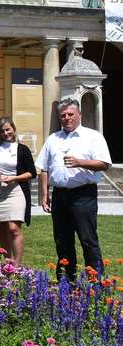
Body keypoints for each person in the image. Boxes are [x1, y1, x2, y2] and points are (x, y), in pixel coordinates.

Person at [35, 98, 111, 282]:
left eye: (70, 114)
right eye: (63, 115)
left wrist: (80, 162)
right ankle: (66, 282)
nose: (67, 118)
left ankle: (96, 282)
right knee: (62, 240)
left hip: (83, 195)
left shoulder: (93, 137)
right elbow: (43, 167)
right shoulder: (53, 139)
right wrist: (44, 195)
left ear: (79, 115)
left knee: (88, 240)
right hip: (60, 195)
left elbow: (104, 164)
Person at [0, 117, 36, 265]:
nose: (6, 133)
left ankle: (16, 265)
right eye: (2, 131)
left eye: (8, 129)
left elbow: (32, 172)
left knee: (13, 229)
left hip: (16, 190)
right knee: (1, 230)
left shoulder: (22, 149)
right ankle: (7, 265)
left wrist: (14, 178)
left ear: (13, 129)